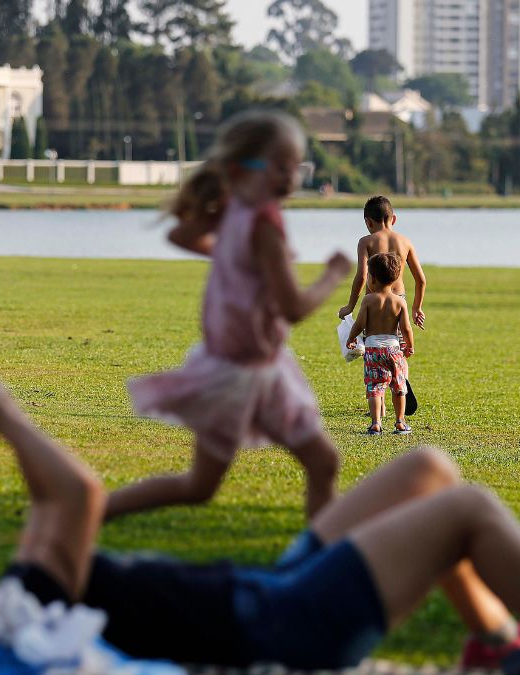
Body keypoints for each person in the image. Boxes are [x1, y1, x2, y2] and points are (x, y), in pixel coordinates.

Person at [0, 379, 520, 675]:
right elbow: (76, 494)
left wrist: (13, 434)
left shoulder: (27, 593)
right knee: (468, 510)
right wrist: (5, 417)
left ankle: (494, 641)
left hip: (268, 585)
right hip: (287, 622)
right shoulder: (22, 611)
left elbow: (64, 505)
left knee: (427, 468)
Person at [107, 110, 351, 521]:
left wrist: (236, 259)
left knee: (315, 463)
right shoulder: (264, 222)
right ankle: (92, 511)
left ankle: (317, 561)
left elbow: (180, 234)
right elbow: (293, 309)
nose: (290, 176)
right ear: (242, 170)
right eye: (279, 166)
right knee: (209, 485)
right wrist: (333, 275)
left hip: (259, 369)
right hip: (238, 376)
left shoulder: (236, 209)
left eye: (295, 166)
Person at [346, 252, 414, 436]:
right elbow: (406, 328)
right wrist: (409, 345)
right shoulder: (399, 301)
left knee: (375, 387)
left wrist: (351, 338)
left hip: (373, 350)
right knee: (399, 386)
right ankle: (400, 422)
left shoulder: (368, 300)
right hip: (394, 349)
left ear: (373, 279)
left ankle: (376, 423)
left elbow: (360, 324)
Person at [337, 195, 427, 329]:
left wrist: (350, 306)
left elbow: (362, 276)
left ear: (368, 222)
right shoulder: (405, 242)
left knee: (373, 343)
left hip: (373, 300)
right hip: (398, 299)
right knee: (397, 345)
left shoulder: (366, 242)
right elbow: (421, 280)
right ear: (394, 219)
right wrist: (416, 308)